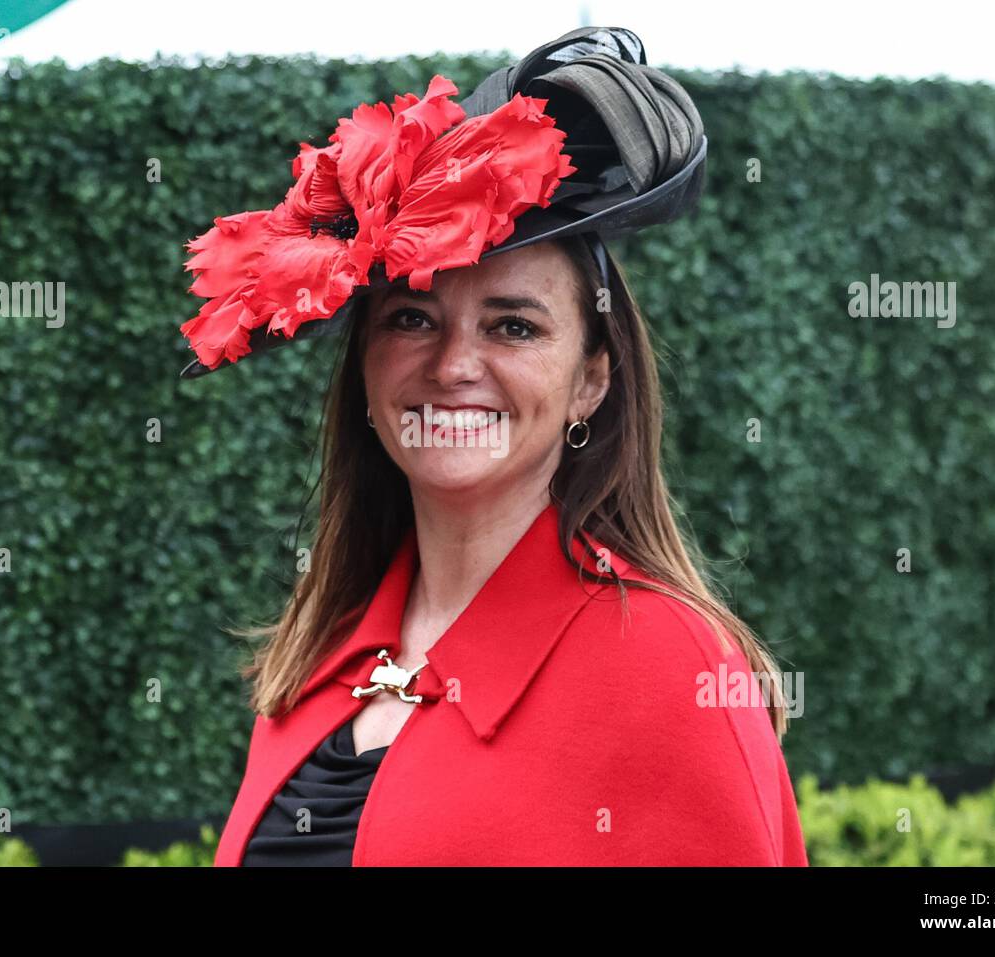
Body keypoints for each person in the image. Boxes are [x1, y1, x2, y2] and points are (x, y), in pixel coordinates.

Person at [177, 26, 809, 866]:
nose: (454, 364)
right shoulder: (321, 651)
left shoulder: (667, 668)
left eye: (513, 325)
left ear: (592, 378)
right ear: (365, 366)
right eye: (412, 317)